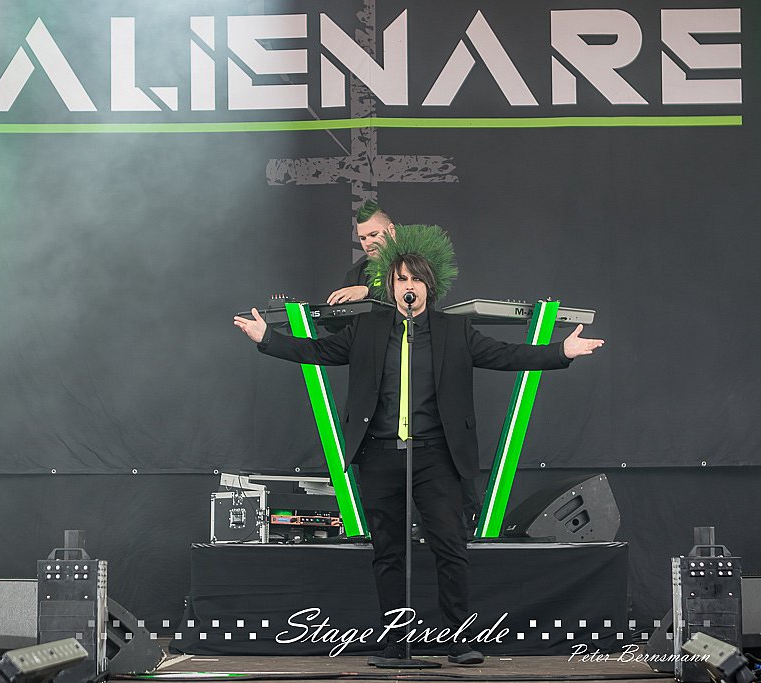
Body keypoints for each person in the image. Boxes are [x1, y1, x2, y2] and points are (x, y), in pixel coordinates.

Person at [234, 225, 604, 665]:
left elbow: (507, 357)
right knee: (388, 552)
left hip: (437, 456)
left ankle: (460, 640)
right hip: (379, 454)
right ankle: (396, 643)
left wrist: (561, 352)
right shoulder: (367, 328)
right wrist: (268, 339)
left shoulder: (455, 330)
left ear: (429, 286)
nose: (407, 286)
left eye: (415, 279)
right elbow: (318, 351)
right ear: (391, 287)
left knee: (451, 547)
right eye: (400, 279)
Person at [326, 200, 395, 305]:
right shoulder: (354, 275)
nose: (368, 243)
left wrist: (367, 292)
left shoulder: (413, 264)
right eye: (362, 238)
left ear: (391, 231)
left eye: (373, 235)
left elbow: (412, 298)